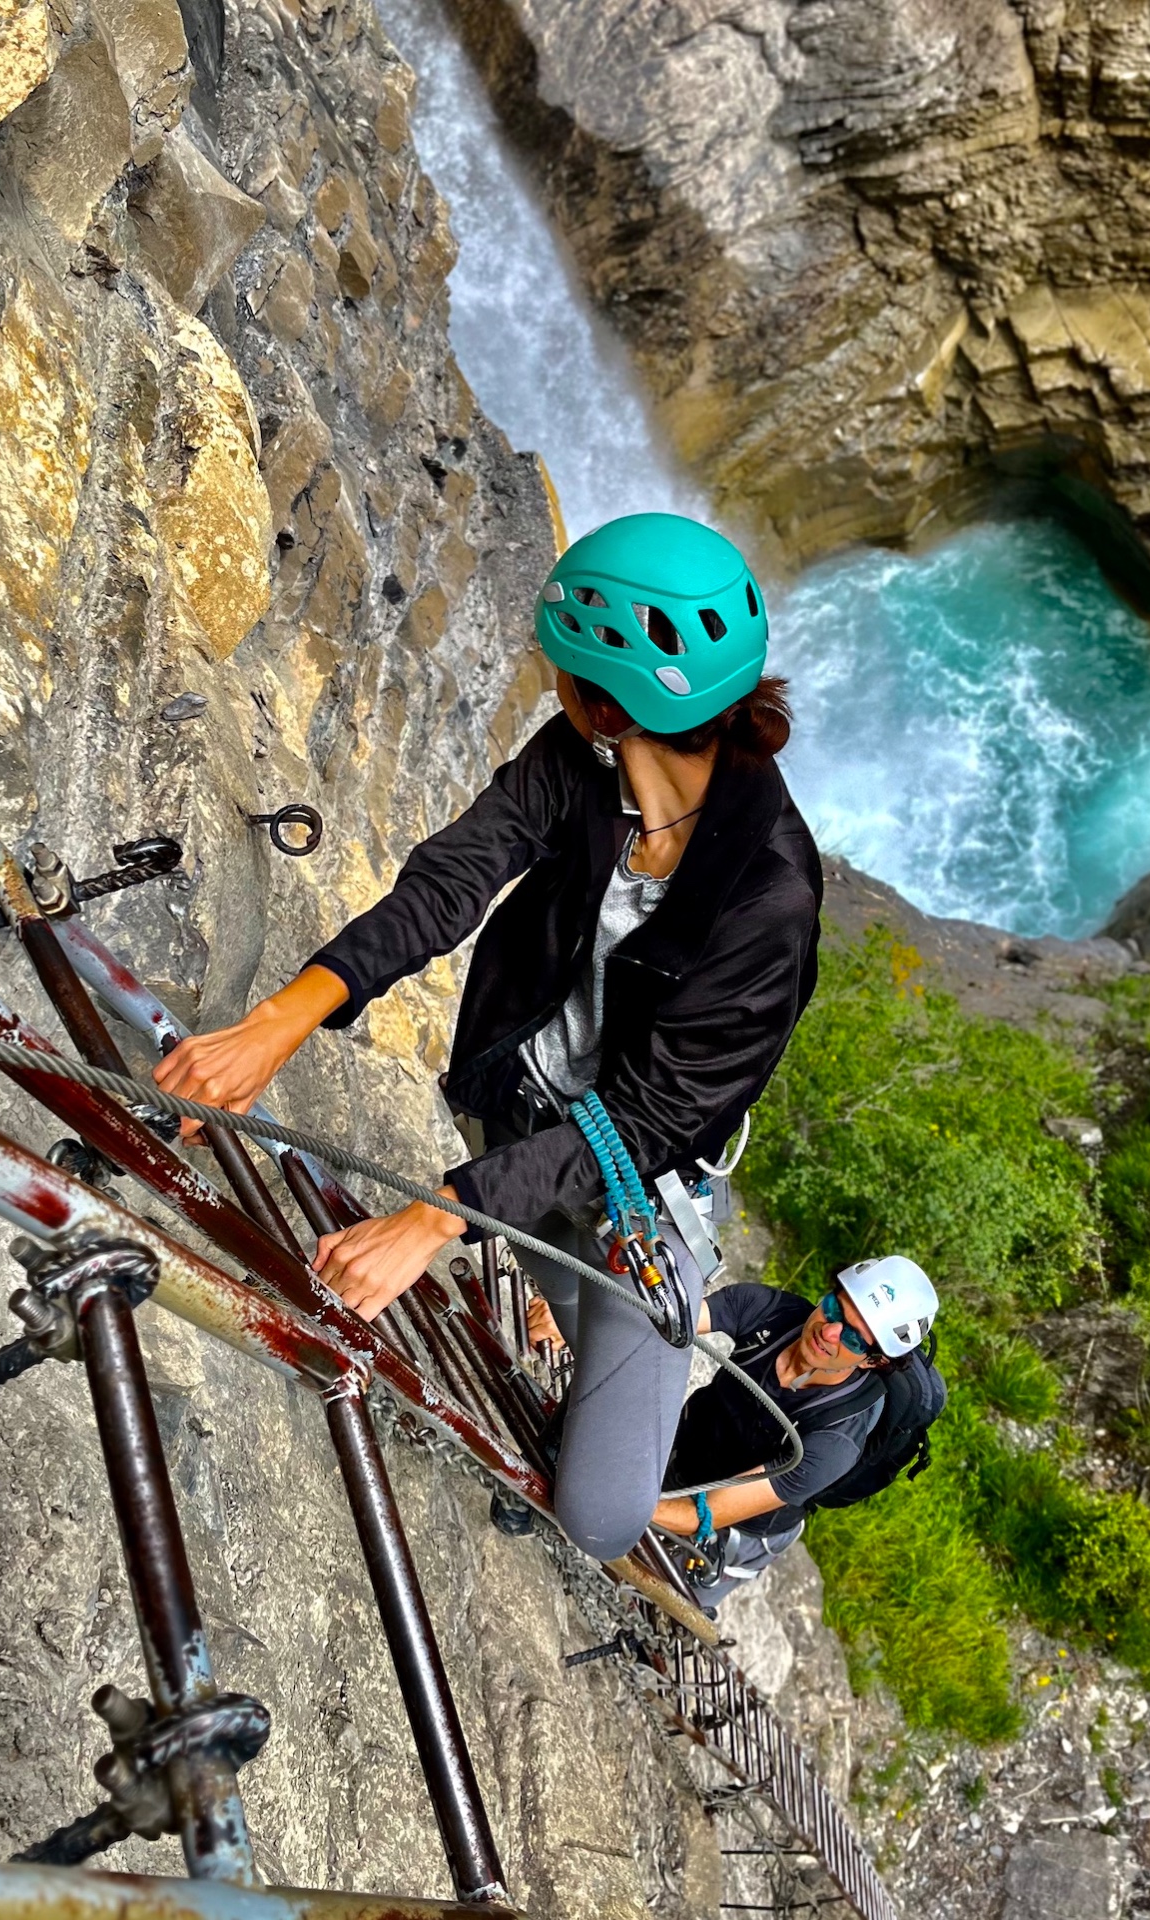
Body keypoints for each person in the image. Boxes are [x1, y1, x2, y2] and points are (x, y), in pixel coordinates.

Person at [154, 512, 823, 1561]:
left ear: (607, 697)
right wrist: (283, 1021)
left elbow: (646, 1120)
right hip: (514, 1117)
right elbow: (454, 880)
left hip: (630, 1189)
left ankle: (627, 1405)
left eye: (563, 668)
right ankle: (542, 1291)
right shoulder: (582, 763)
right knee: (532, 1259)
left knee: (599, 1518)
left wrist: (437, 1218)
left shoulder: (767, 900)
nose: (550, 684)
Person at [649, 1255, 944, 1609]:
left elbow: (703, 1514)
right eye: (836, 1307)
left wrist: (620, 1501)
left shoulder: (836, 1438)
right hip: (690, 1447)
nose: (829, 1331)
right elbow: (664, 1319)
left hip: (741, 1525)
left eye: (853, 1338)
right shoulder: (769, 1313)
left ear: (873, 1361)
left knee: (671, 1600)